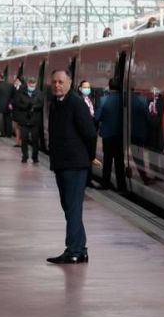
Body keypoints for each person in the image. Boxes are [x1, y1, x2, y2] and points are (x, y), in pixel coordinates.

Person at [46, 70, 97, 265]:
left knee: (73, 207)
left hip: (75, 165)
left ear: (69, 83)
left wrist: (90, 156)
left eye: (60, 82)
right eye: (54, 82)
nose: (57, 85)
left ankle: (73, 250)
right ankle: (80, 248)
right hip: (61, 164)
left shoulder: (76, 104)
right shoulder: (56, 104)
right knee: (69, 206)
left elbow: (90, 133)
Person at [96, 77, 126, 191]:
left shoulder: (104, 100)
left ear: (109, 86)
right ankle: (121, 186)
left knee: (107, 160)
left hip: (107, 135)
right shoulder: (123, 100)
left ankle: (105, 183)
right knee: (119, 161)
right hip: (120, 135)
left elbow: (98, 117)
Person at [11, 77, 43, 163]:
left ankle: (35, 157)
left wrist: (33, 107)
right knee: (24, 139)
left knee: (35, 140)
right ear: (28, 84)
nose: (32, 86)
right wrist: (26, 106)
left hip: (35, 120)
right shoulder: (21, 93)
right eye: (30, 84)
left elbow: (41, 104)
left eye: (33, 84)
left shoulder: (39, 93)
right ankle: (25, 156)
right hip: (24, 120)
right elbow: (17, 103)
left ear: (36, 84)